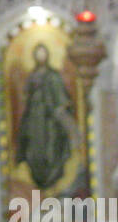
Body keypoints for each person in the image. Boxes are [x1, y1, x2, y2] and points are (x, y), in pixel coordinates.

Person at [16, 44, 76, 189]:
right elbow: (25, 97)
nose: (40, 56)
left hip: (50, 122)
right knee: (34, 152)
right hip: (35, 120)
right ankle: (38, 179)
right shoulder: (32, 76)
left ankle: (53, 179)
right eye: (38, 53)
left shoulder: (53, 75)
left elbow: (61, 99)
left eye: (43, 53)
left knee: (51, 148)